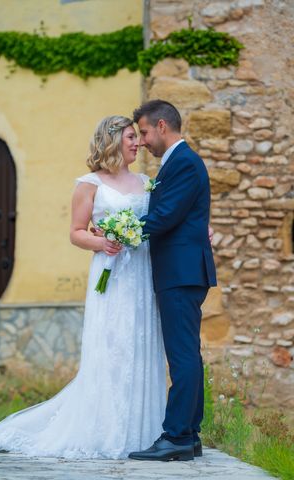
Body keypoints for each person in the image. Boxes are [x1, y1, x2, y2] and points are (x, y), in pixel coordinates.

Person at [0, 115, 166, 459]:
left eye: (136, 138)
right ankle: (106, 429)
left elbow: (157, 223)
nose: (137, 143)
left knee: (140, 345)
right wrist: (103, 244)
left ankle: (143, 431)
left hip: (141, 274)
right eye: (130, 137)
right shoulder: (89, 183)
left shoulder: (146, 181)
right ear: (112, 140)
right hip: (111, 274)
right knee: (112, 347)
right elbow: (77, 231)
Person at [128, 99, 217, 462]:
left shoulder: (183, 163)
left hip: (180, 273)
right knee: (186, 355)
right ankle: (190, 434)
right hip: (181, 271)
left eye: (145, 132)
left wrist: (121, 233)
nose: (144, 141)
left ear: (162, 126)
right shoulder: (178, 163)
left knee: (181, 356)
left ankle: (177, 435)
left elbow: (164, 216)